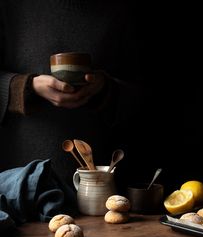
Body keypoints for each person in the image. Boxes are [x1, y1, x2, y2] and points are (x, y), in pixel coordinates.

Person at [0, 0, 150, 196]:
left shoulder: (119, 9)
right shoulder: (8, 7)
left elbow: (142, 98)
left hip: (100, 185)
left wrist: (103, 89)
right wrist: (27, 88)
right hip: (16, 185)